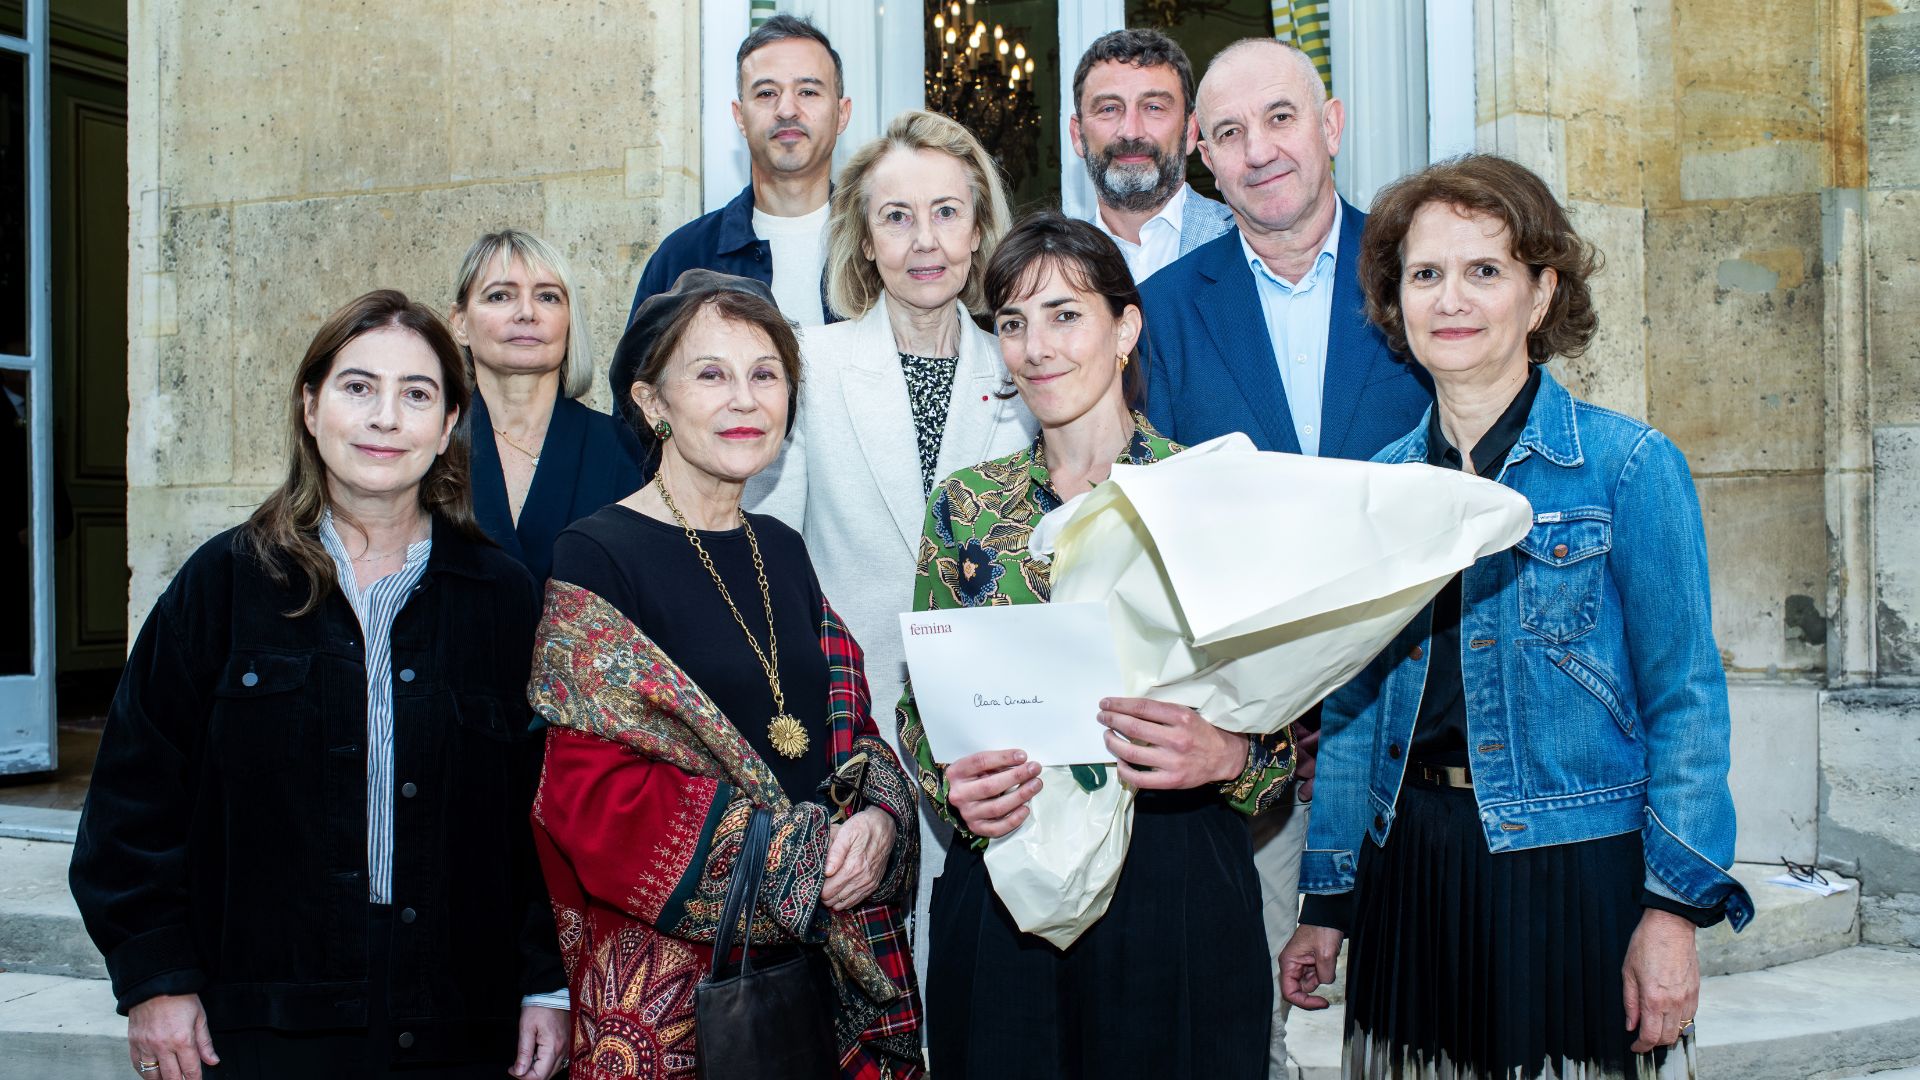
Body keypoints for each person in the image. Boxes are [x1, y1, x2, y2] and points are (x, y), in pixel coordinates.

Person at [1277, 154, 1753, 1078]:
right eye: (1426, 273)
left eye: (1484, 270)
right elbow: (1355, 708)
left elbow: (1687, 701)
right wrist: (1327, 902)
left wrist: (1673, 910)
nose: (1451, 299)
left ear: (1541, 296)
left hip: (1575, 868)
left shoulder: (1627, 467)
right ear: (1396, 302)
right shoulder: (1377, 488)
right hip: (1409, 865)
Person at [69, 290, 568, 1080]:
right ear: (310, 407)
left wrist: (547, 981)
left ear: (448, 425)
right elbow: (132, 804)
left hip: (460, 1018)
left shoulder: (503, 599)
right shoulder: (223, 584)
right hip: (263, 1021)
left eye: (417, 394)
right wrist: (156, 978)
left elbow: (543, 817)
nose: (385, 418)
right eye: (358, 387)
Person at [898, 211, 1295, 1080]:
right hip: (1007, 877)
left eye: (1065, 315)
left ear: (1126, 327)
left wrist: (1228, 754)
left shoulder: (1210, 495)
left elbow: (1283, 729)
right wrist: (955, 787)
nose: (1036, 347)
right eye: (1013, 322)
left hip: (1175, 876)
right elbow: (921, 707)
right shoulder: (965, 508)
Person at [530, 270, 923, 1080]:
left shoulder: (781, 546)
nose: (745, 400)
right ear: (653, 402)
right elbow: (588, 796)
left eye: (765, 374)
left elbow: (847, 730)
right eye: (711, 374)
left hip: (815, 978)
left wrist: (878, 820)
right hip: (669, 997)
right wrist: (798, 862)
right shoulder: (595, 553)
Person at [1136, 38, 1434, 1072]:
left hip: (1416, 735)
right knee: (1244, 1033)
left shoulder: (1422, 278)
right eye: (1228, 133)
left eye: (1280, 118)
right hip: (1248, 753)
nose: (1259, 150)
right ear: (1203, 160)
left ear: (1332, 124)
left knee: (1416, 1036)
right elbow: (1162, 533)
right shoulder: (1165, 312)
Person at [744, 108, 1035, 988]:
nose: (925, 241)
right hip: (844, 737)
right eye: (896, 217)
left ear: (979, 230)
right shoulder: (809, 366)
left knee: (977, 993)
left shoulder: (1027, 369)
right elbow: (771, 562)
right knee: (866, 1002)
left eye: (947, 212)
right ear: (865, 242)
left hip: (997, 749)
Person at [627, 14, 851, 327]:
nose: (787, 109)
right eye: (767, 93)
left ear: (842, 113)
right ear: (740, 116)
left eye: (808, 91)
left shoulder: (879, 244)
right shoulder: (682, 258)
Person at [452, 228, 646, 582]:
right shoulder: (431, 444)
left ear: (570, 321)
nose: (527, 312)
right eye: (499, 296)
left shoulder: (624, 449)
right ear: (460, 323)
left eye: (548, 297)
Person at [1069, 28, 1233, 282]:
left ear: (1190, 131)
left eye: (1154, 107)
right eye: (1109, 109)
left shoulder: (1246, 242)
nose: (1131, 132)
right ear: (1078, 135)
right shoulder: (1056, 267)